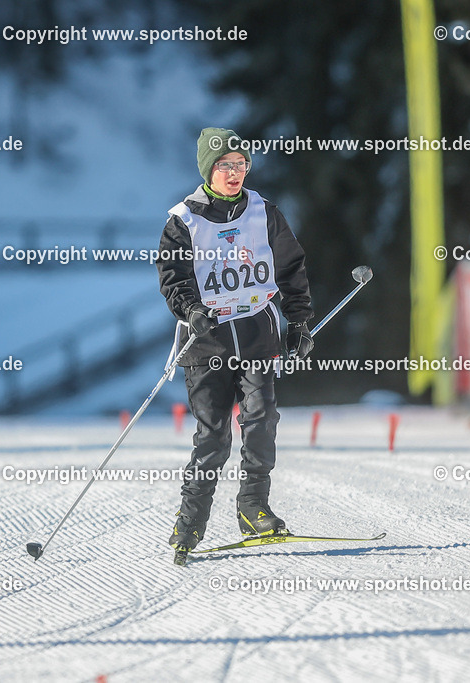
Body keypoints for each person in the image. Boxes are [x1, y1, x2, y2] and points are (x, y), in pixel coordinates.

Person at [155, 127, 314, 556]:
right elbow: (173, 279)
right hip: (209, 345)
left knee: (262, 420)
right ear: (209, 169)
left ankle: (253, 507)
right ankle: (190, 520)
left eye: (241, 164)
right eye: (225, 165)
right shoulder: (183, 221)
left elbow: (291, 268)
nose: (234, 172)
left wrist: (299, 321)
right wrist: (191, 310)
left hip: (258, 336)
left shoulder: (264, 212)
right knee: (214, 438)